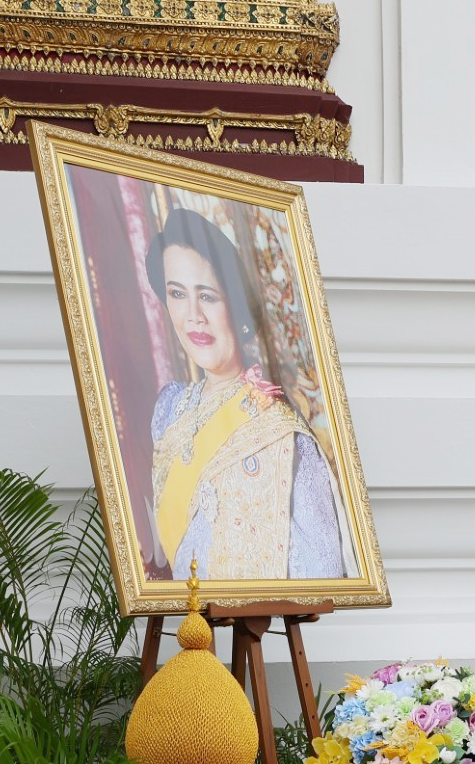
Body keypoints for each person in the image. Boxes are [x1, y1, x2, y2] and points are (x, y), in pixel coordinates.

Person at [143, 207, 356, 583]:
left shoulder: (282, 434)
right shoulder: (170, 409)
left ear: (236, 305)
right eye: (177, 293)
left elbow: (320, 570)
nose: (193, 315)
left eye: (207, 296)